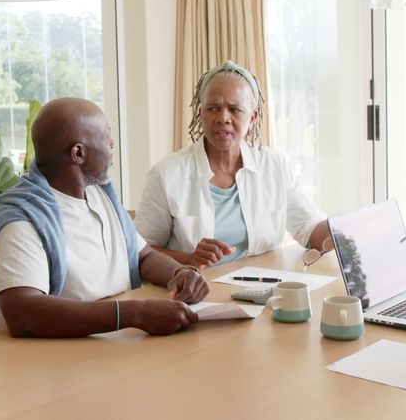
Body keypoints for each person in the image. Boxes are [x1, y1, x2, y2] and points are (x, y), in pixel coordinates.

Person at [0, 97, 210, 338]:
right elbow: (22, 312)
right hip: (46, 362)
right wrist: (135, 313)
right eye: (105, 136)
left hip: (108, 345)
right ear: (78, 153)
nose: (112, 144)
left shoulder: (99, 194)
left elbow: (143, 256)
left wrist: (180, 273)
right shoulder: (24, 218)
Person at [136, 60, 333, 268]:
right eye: (213, 108)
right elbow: (140, 250)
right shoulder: (167, 174)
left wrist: (346, 231)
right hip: (197, 292)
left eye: (235, 109)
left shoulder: (275, 166)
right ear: (201, 113)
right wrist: (188, 259)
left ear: (253, 116)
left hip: (264, 286)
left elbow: (308, 227)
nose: (223, 118)